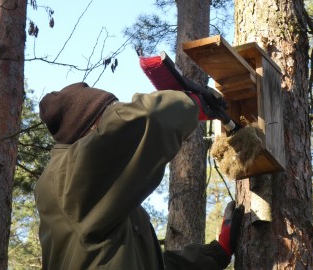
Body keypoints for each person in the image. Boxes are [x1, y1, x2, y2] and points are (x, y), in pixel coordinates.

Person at [35, 82, 244, 270]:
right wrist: (192, 103)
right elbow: (147, 117)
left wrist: (217, 253)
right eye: (109, 115)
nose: (118, 115)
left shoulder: (98, 200)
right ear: (90, 131)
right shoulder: (65, 175)